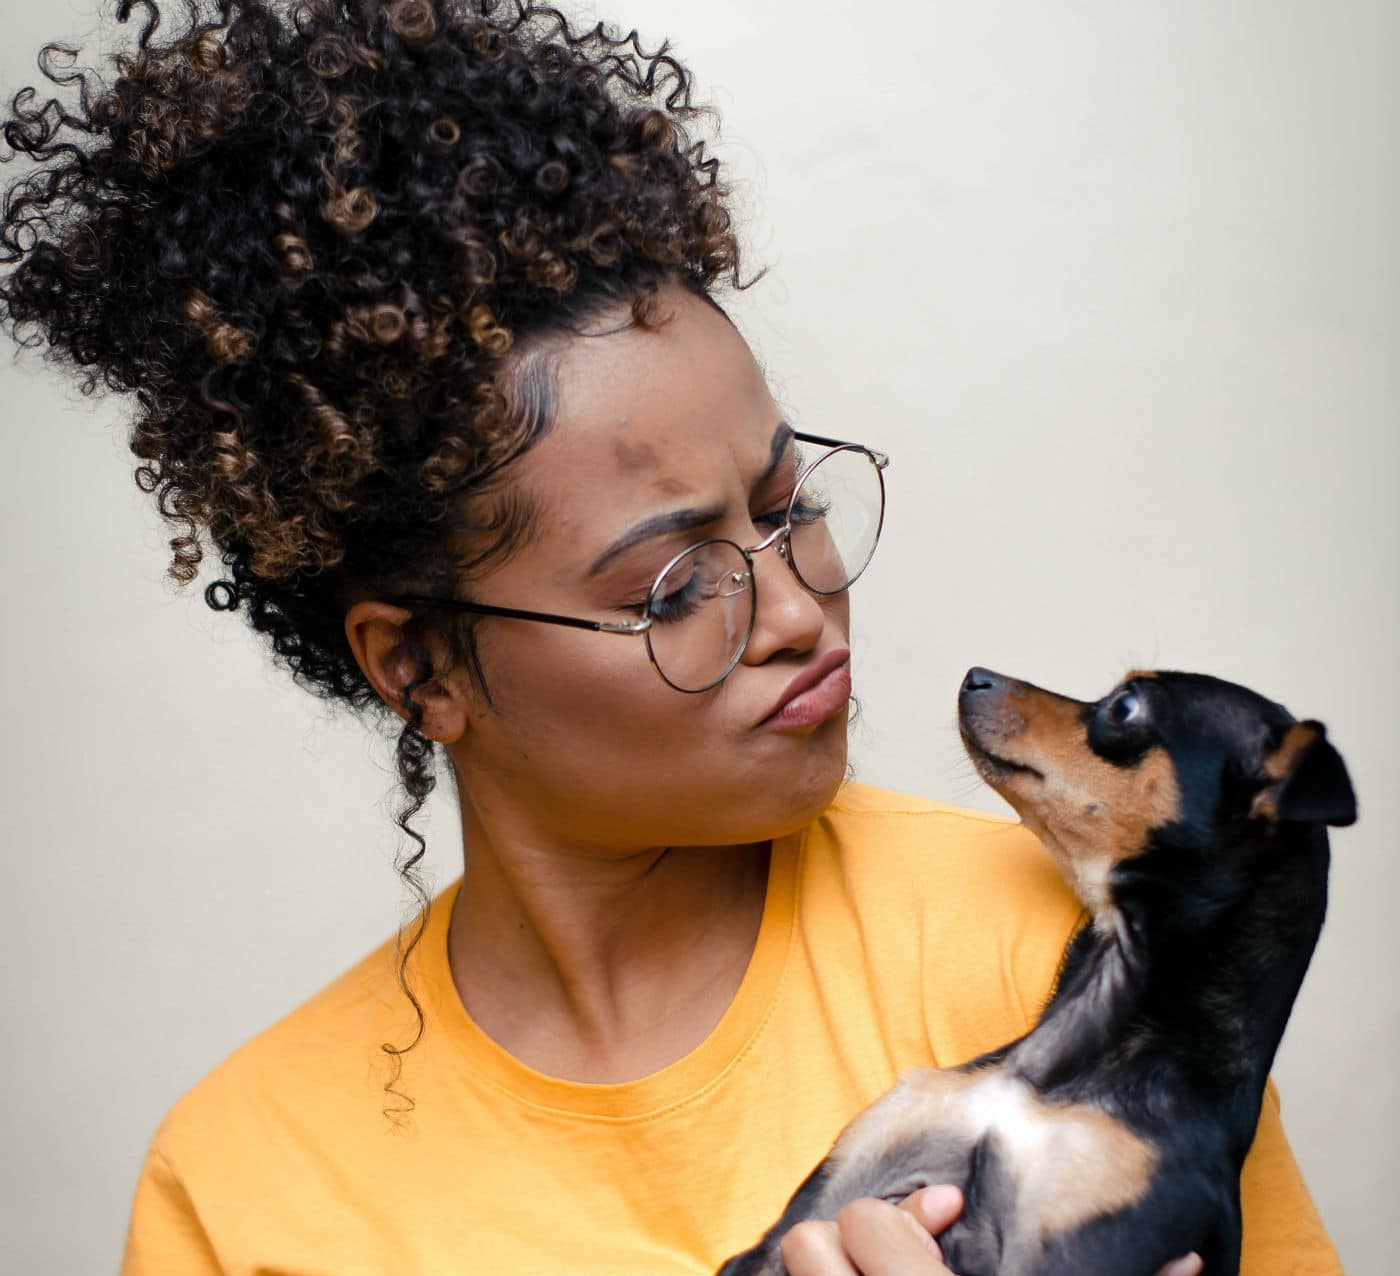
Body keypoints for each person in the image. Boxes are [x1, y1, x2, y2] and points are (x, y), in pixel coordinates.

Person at [0, 2, 1341, 1272]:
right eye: (672, 588)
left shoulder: (1063, 954)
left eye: (788, 505)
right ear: (416, 667)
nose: (802, 609)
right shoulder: (247, 1185)